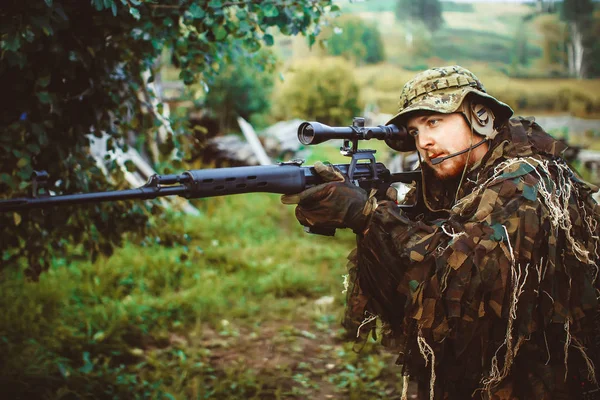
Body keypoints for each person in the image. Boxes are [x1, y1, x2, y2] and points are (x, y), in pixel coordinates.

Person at [282, 65, 600, 399]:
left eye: (435, 121)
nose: (425, 142)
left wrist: (369, 217)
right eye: (415, 132)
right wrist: (372, 222)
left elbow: (461, 296)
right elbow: (409, 299)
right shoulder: (455, 181)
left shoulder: (525, 183)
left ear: (481, 116)